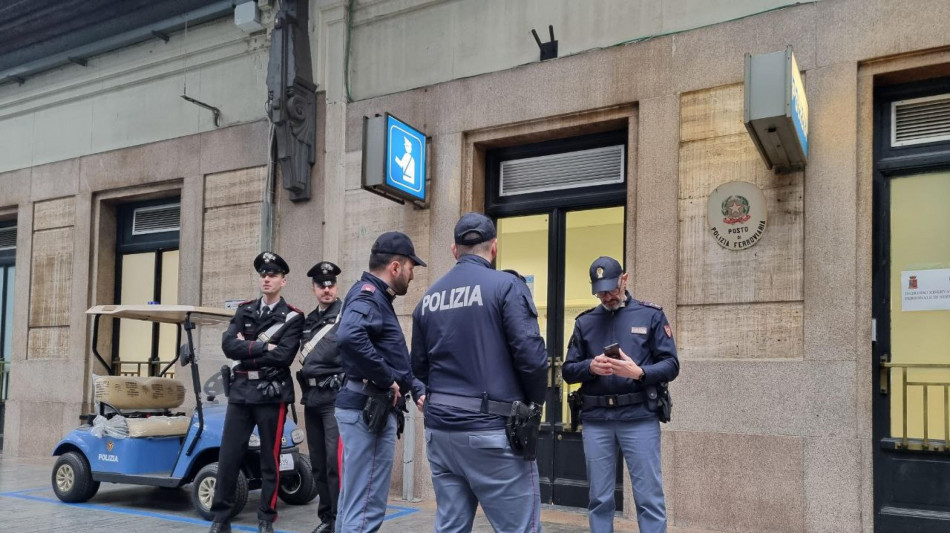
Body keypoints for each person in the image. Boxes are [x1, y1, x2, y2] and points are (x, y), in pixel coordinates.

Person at [411, 212, 548, 533]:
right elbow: (532, 359)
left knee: (451, 528)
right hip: (492, 433)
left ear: (454, 250)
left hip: (442, 434)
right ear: (494, 247)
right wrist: (534, 406)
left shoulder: (428, 298)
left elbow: (417, 368)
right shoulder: (506, 287)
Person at [561, 256, 680, 533]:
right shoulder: (585, 322)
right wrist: (590, 367)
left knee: (648, 497)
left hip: (638, 417)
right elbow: (568, 370)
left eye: (612, 289)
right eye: (600, 291)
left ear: (624, 279)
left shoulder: (651, 315)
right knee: (599, 499)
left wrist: (639, 373)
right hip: (597, 420)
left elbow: (671, 365)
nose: (607, 296)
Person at [334, 231, 427, 533]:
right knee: (366, 507)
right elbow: (350, 336)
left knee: (354, 501)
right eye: (412, 268)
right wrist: (387, 380)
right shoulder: (369, 295)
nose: (412, 277)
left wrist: (415, 387)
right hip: (368, 409)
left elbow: (393, 356)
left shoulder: (374, 297)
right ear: (396, 267)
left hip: (364, 406)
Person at [209, 251, 304, 533]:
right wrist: (264, 348)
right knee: (228, 456)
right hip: (240, 391)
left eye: (272, 275)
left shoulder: (293, 317)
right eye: (263, 274)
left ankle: (266, 517)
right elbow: (228, 346)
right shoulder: (244, 309)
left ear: (283, 281)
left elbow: (284, 356)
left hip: (270, 394)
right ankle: (220, 518)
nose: (266, 279)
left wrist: (247, 346)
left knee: (269, 459)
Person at [296, 261, 344, 533]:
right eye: (321, 285)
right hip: (311, 398)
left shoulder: (345, 314)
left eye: (331, 285)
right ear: (314, 288)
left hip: (334, 397)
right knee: (317, 463)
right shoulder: (309, 320)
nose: (326, 289)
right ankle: (326, 517)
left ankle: (338, 520)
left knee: (333, 463)